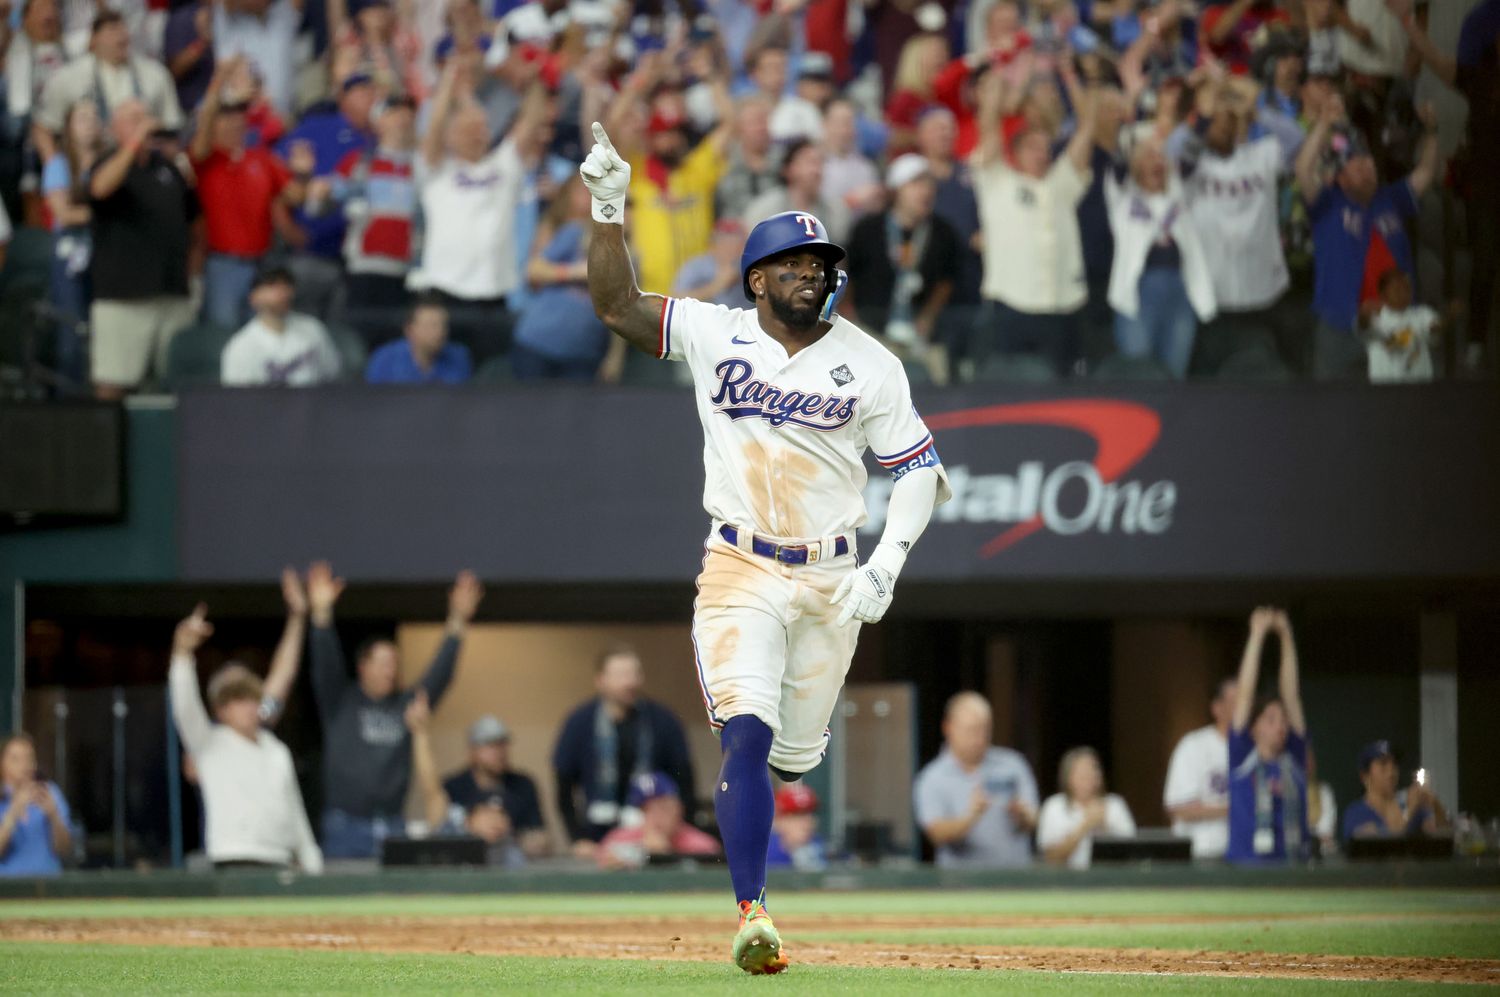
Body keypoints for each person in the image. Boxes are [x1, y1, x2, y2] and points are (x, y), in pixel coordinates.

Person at [581, 118, 951, 973]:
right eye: (796, 265)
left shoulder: (872, 362)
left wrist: (885, 563)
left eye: (823, 266)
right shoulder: (719, 332)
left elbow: (922, 472)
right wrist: (608, 206)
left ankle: (759, 860)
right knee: (746, 733)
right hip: (740, 563)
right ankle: (753, 912)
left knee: (791, 757)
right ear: (757, 278)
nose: (814, 276)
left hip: (831, 573)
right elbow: (616, 306)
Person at [305, 560, 485, 859]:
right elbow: (324, 663)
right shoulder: (341, 700)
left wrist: (457, 619)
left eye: (395, 664)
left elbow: (440, 674)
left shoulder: (405, 706)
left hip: (392, 824)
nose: (391, 671)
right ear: (363, 667)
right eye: (383, 663)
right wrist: (321, 613)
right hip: (345, 826)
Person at [168, 604, 323, 873]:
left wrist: (310, 857)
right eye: (237, 700)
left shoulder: (276, 750)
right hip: (233, 860)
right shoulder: (210, 743)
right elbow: (184, 707)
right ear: (221, 710)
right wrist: (182, 653)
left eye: (252, 698)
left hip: (280, 861)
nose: (248, 707)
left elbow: (294, 809)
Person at [1294, 94, 1439, 379]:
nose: (1367, 169)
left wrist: (1432, 132)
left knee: (1395, 403)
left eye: (1370, 164)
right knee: (1332, 406)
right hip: (1341, 324)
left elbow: (1425, 173)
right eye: (1357, 166)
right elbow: (1303, 169)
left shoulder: (1391, 198)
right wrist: (1324, 122)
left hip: (1394, 325)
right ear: (1340, 178)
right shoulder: (1328, 203)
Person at [414, 68, 549, 363]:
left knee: (491, 380)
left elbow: (532, 120)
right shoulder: (437, 171)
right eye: (468, 129)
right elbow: (433, 129)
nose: (478, 134)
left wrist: (537, 75)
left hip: (494, 292)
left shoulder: (504, 166)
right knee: (448, 377)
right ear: (452, 135)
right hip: (446, 290)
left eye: (482, 128)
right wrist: (450, 82)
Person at [971, 65, 1096, 376]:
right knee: (1006, 394)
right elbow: (989, 126)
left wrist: (1069, 78)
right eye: (1032, 148)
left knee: (1060, 392)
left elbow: (1089, 127)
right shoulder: (998, 181)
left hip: (1061, 306)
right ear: (1014, 153)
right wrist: (1001, 74)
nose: (1041, 154)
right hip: (1010, 305)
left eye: (1045, 148)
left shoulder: (1062, 184)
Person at [191, 57, 315, 331]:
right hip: (223, 264)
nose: (235, 121)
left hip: (263, 263)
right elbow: (202, 132)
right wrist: (218, 81)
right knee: (222, 334)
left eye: (240, 114)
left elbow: (295, 197)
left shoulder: (262, 157)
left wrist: (304, 175)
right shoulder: (207, 159)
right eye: (227, 115)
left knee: (263, 332)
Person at [85, 98, 197, 399]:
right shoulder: (107, 163)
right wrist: (132, 145)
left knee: (172, 387)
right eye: (133, 119)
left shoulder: (169, 170)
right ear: (114, 129)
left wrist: (194, 275)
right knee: (113, 384)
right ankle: (106, 446)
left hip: (170, 293)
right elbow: (99, 188)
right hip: (123, 297)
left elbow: (194, 220)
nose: (145, 123)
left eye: (145, 117)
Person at [552, 646, 696, 852]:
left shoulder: (663, 721)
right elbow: (564, 786)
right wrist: (577, 838)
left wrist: (675, 833)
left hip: (653, 838)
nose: (630, 682)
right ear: (600, 680)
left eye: (635, 674)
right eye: (620, 675)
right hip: (596, 836)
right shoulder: (580, 722)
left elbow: (684, 781)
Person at [1104, 135, 1216, 377]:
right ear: (1136, 164)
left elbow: (1192, 157)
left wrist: (1197, 123)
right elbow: (1118, 165)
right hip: (1137, 297)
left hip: (1179, 295)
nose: (1156, 161)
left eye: (1160, 156)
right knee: (1139, 376)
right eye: (1148, 156)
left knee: (1175, 378)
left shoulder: (1180, 196)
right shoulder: (1123, 198)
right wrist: (1129, 120)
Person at [842, 153, 960, 355]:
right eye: (916, 183)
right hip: (870, 334)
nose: (926, 191)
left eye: (929, 184)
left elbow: (947, 280)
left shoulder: (943, 233)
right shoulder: (868, 229)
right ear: (896, 190)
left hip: (923, 337)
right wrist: (849, 315)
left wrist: (929, 317)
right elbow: (848, 272)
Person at [914, 692, 1039, 870]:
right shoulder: (932, 778)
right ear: (948, 728)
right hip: (962, 886)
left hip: (1015, 883)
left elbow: (1034, 818)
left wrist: (1023, 815)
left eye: (985, 729)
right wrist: (971, 816)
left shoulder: (1013, 764)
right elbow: (936, 834)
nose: (980, 738)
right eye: (972, 729)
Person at [332, 93, 420, 342]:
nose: (402, 119)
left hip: (406, 272)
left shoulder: (422, 166)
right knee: (361, 343)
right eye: (393, 112)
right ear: (378, 121)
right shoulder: (359, 164)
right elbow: (322, 205)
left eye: (407, 112)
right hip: (365, 269)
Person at [1227, 606, 1309, 864]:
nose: (1281, 725)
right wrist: (1257, 634)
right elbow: (1244, 696)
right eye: (1271, 719)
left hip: (1293, 867)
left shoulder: (1293, 758)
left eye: (1283, 719)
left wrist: (1286, 636)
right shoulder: (1242, 758)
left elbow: (1291, 695)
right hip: (1247, 869)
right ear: (1254, 728)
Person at [510, 176, 609, 381]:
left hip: (584, 350)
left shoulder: (623, 247)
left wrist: (612, 357)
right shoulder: (573, 232)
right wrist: (577, 271)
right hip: (541, 341)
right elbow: (533, 271)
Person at [34, 12, 182, 137]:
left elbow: (171, 125)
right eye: (112, 29)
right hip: (89, 162)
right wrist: (54, 162)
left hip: (144, 158)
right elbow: (45, 128)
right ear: (94, 39)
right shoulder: (68, 78)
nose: (121, 35)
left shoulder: (155, 74)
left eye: (122, 28)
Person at [42, 98, 102, 388]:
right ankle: (69, 401)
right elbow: (63, 214)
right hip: (70, 251)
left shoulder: (108, 161)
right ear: (68, 127)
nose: (90, 123)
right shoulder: (58, 163)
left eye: (94, 116)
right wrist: (103, 214)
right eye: (82, 117)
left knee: (101, 328)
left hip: (104, 249)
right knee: (71, 328)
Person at [442, 714, 549, 860]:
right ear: (472, 751)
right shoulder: (453, 786)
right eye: (491, 745)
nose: (499, 752)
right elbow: (440, 835)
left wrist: (508, 833)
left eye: (503, 744)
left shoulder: (523, 785)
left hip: (512, 869)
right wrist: (471, 827)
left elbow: (541, 837)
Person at [220, 267, 342, 387]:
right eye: (273, 286)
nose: (283, 293)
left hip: (316, 404)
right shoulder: (241, 346)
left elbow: (331, 376)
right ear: (254, 298)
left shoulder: (313, 328)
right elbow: (237, 401)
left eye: (286, 285)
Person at [1162, 677, 1238, 860]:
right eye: (1236, 702)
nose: (1245, 708)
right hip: (1201, 853)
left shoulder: (1257, 750)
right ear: (1217, 708)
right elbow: (1179, 807)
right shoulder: (1194, 745)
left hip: (1244, 855)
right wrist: (1237, 807)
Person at [1036, 746, 1137, 869]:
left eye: (1093, 770)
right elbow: (1051, 857)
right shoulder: (1054, 806)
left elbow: (1131, 851)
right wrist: (1085, 826)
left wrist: (1103, 826)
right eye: (1081, 772)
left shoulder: (1115, 804)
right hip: (1067, 881)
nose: (1089, 776)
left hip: (1110, 879)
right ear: (1068, 777)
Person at [596, 772, 721, 870]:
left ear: (679, 808)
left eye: (663, 807)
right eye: (648, 809)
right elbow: (603, 864)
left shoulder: (702, 845)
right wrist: (642, 854)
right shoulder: (618, 839)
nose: (657, 816)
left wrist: (665, 856)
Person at [741, 138, 849, 246]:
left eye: (820, 163)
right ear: (788, 169)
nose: (817, 170)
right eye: (810, 162)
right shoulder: (764, 210)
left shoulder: (835, 211)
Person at [1342, 740, 1449, 841]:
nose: (1391, 772)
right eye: (1383, 765)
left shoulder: (1408, 803)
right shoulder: (1355, 813)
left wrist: (1435, 805)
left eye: (1394, 765)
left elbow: (1442, 833)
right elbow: (1383, 843)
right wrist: (1409, 811)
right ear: (1365, 776)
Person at [0, 733, 72, 876]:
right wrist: (13, 812)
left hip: (48, 887)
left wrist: (54, 815)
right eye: (16, 759)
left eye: (29, 758)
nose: (24, 765)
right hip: (7, 890)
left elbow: (65, 850)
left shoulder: (50, 792)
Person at [364, 295, 472, 384]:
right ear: (409, 330)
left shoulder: (459, 358)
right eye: (431, 325)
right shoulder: (385, 359)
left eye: (443, 325)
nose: (440, 332)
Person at [1363, 268, 1438, 382]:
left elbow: (1435, 329)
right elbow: (1391, 344)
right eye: (1397, 290)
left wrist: (1447, 317)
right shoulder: (1375, 320)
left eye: (1407, 289)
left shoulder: (1423, 314)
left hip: (1420, 389)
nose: (1404, 294)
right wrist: (1416, 333)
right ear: (1383, 295)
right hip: (1384, 391)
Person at [672, 219, 750, 311]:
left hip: (742, 320)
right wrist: (716, 286)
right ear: (712, 246)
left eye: (737, 245)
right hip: (703, 320)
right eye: (725, 244)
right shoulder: (696, 266)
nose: (731, 250)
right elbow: (675, 299)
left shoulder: (748, 266)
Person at [766, 783, 827, 871]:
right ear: (777, 820)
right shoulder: (762, 854)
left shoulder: (819, 845)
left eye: (811, 813)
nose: (808, 821)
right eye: (797, 815)